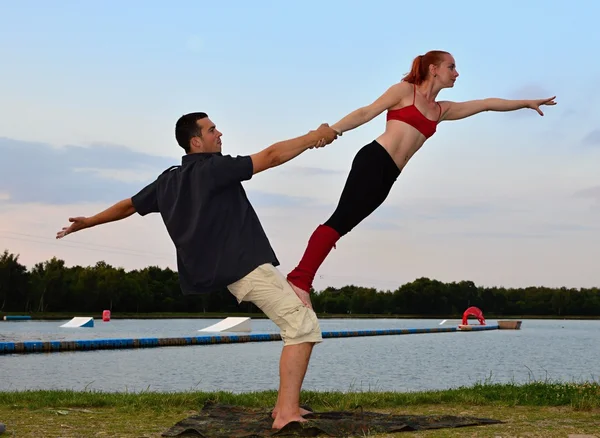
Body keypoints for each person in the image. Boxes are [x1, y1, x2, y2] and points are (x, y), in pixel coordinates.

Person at [55, 112, 338, 430]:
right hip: (245, 267)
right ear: (196, 141)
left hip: (233, 269)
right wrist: (315, 135)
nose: (220, 134)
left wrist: (89, 221)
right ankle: (286, 414)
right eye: (212, 129)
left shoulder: (169, 179)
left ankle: (284, 407)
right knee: (301, 328)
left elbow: (129, 205)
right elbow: (271, 156)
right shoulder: (214, 168)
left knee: (300, 320)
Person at [286, 50, 557, 308]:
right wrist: (334, 130)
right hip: (374, 159)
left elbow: (485, 105)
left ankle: (301, 278)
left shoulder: (441, 110)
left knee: (342, 225)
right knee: (340, 218)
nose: (456, 73)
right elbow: (367, 112)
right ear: (433, 69)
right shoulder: (405, 92)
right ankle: (300, 280)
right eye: (451, 67)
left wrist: (525, 103)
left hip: (390, 175)